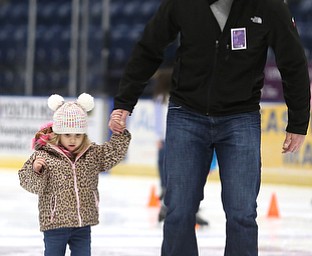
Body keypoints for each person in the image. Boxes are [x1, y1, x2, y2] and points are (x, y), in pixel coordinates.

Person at [108, 0, 311, 255]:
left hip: (241, 117)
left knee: (242, 213)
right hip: (186, 114)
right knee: (179, 210)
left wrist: (298, 122)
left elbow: (292, 61)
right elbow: (149, 48)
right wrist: (124, 102)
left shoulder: (268, 5)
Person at [19, 93, 131, 256]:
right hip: (55, 224)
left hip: (82, 223)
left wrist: (119, 134)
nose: (73, 140)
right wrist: (35, 170)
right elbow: (27, 182)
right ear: (58, 134)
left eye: (78, 135)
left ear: (84, 135)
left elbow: (112, 153)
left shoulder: (92, 154)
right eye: (67, 135)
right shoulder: (45, 156)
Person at [153, 68, 209, 226]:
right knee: (180, 177)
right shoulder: (165, 98)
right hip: (172, 140)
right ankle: (171, 205)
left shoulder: (173, 97)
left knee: (179, 177)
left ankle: (178, 206)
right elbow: (159, 119)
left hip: (173, 139)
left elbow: (158, 120)